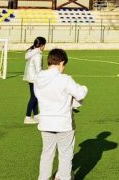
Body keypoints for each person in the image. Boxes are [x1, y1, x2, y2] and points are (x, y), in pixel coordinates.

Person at [34, 48, 88, 180]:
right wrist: (85, 88)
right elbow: (80, 93)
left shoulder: (38, 78)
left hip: (46, 122)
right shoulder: (64, 79)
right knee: (65, 155)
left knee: (47, 154)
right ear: (61, 63)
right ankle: (63, 177)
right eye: (64, 65)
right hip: (63, 123)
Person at [24, 36, 46, 124]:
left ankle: (36, 115)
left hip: (30, 77)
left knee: (35, 96)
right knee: (33, 97)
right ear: (41, 45)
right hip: (34, 78)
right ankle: (28, 117)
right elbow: (38, 69)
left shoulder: (31, 52)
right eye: (44, 45)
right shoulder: (38, 55)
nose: (45, 47)